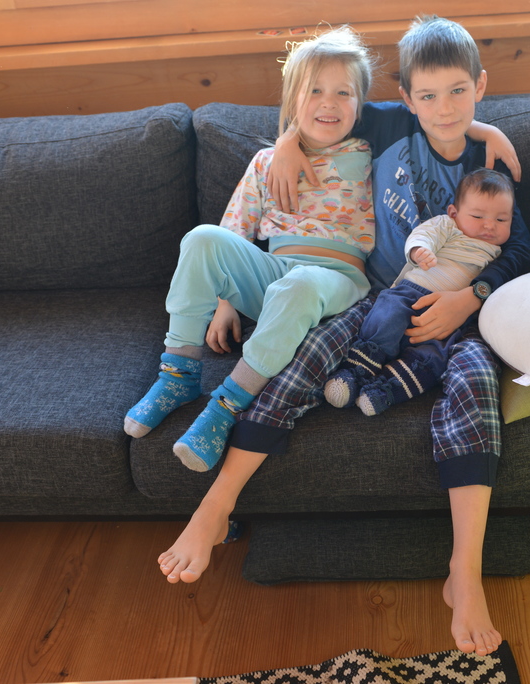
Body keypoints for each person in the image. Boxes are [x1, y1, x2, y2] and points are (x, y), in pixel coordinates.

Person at [156, 15, 530, 659]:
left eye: (459, 93)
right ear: (407, 99)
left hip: (461, 314)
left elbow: (520, 246)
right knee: (302, 360)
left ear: (479, 87)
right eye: (428, 95)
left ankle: (464, 573)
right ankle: (215, 508)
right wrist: (284, 143)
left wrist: (469, 296)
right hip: (375, 298)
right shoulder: (386, 127)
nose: (444, 109)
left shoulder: (491, 162)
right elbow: (320, 110)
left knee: (477, 383)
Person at [123, 26, 376, 473]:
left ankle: (226, 406)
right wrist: (225, 304)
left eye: (344, 92)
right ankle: (178, 375)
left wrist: (483, 131)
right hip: (275, 275)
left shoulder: (374, 154)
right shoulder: (265, 162)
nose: (329, 102)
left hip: (339, 283)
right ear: (293, 100)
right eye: (315, 90)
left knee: (300, 283)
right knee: (202, 238)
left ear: (361, 104)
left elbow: (433, 119)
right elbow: (235, 230)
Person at [324, 168, 514, 417]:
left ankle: (386, 390)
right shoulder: (448, 225)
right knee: (388, 313)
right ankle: (356, 370)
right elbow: (425, 234)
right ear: (454, 213)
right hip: (414, 292)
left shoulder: (499, 254)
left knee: (437, 355)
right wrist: (420, 250)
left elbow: (504, 284)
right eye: (478, 216)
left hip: (451, 320)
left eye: (502, 220)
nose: (489, 225)